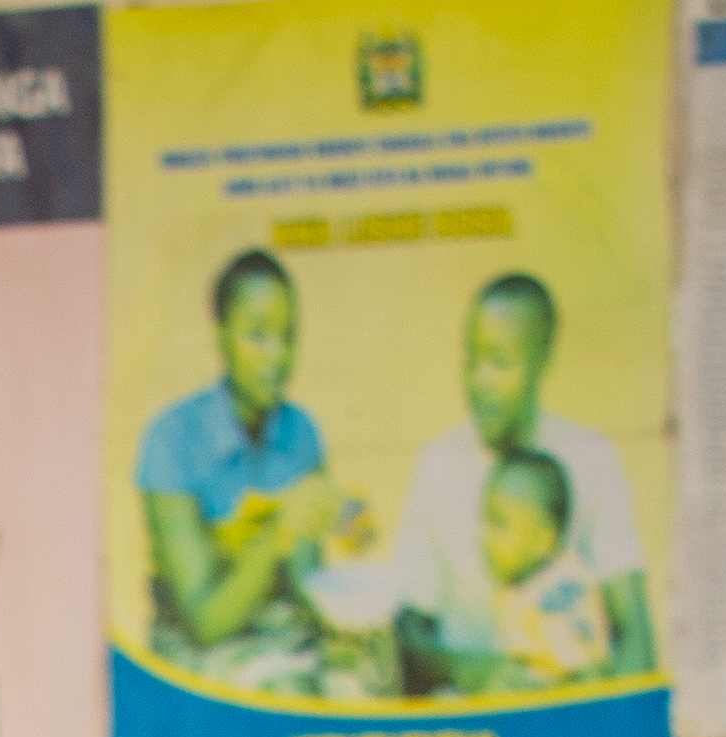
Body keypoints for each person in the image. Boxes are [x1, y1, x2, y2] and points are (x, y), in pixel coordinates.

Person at [386, 273, 654, 691]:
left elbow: (633, 627)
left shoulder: (591, 458)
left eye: (500, 363)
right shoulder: (437, 464)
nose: (479, 382)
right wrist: (479, 673)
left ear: (543, 360)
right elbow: (407, 635)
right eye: (471, 359)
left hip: (568, 713)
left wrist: (615, 728)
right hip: (471, 719)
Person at [134, 248, 340, 684]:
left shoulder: (301, 431)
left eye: (288, 336)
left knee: (370, 678)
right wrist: (279, 534)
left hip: (280, 629)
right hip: (196, 651)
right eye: (259, 335)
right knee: (289, 689)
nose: (278, 356)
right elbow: (205, 623)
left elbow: (307, 577)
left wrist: (343, 528)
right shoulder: (171, 441)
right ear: (220, 337)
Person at [461, 448, 618, 686]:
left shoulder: (558, 593)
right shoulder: (524, 582)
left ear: (543, 540)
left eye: (498, 523)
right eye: (484, 521)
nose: (484, 537)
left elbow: (587, 677)